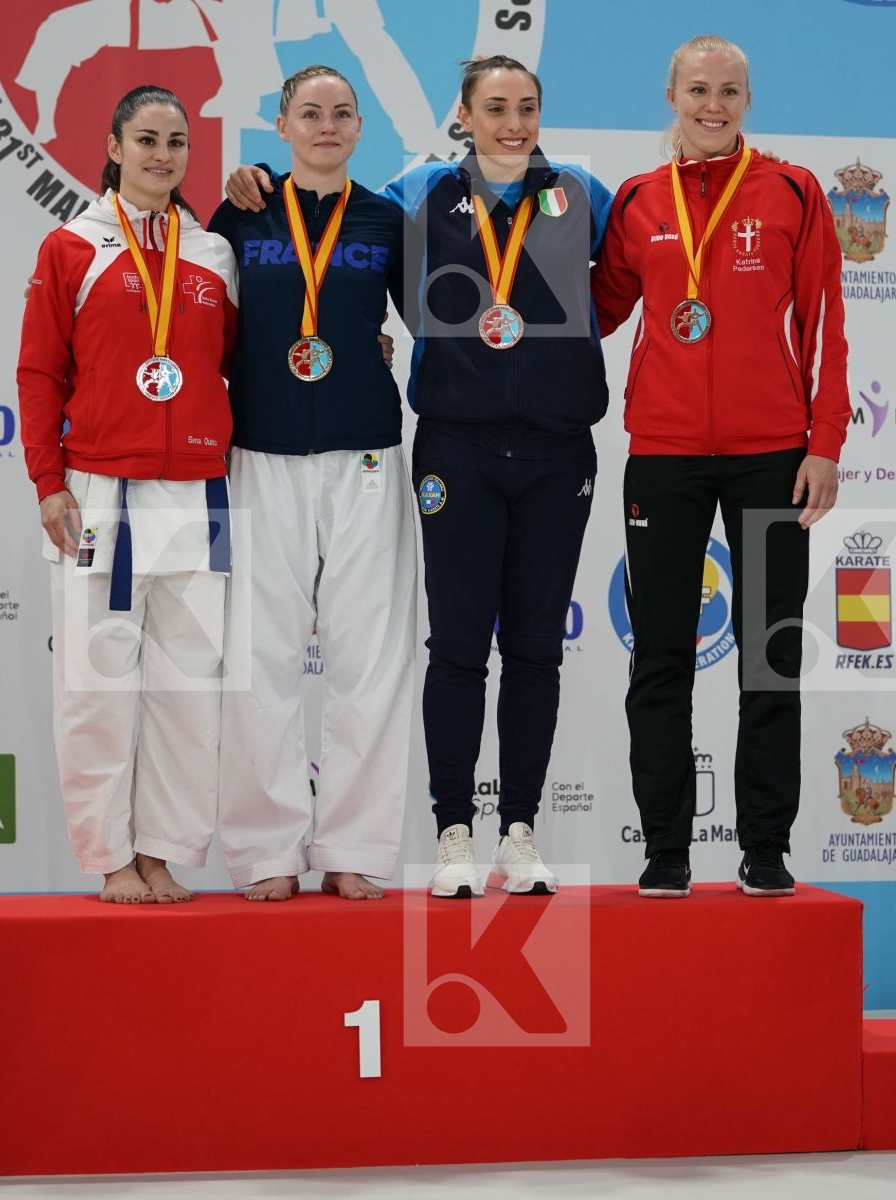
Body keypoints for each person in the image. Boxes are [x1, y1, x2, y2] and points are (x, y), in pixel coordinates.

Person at [225, 55, 612, 897]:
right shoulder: (411, 193)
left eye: (527, 107)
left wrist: (560, 351)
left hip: (539, 450)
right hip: (439, 447)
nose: (513, 122)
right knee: (442, 650)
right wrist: (244, 176)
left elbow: (609, 289)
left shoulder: (580, 188)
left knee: (520, 651)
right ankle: (436, 834)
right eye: (495, 107)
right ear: (462, 115)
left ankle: (497, 832)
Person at [592, 35, 848, 900]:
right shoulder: (634, 200)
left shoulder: (792, 192)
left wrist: (826, 442)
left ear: (748, 97)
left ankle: (765, 848)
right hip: (662, 454)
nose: (714, 105)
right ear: (669, 92)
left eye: (730, 91)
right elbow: (594, 309)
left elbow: (823, 322)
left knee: (770, 658)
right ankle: (666, 849)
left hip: (771, 455)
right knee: (659, 658)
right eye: (698, 89)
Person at [19, 85, 239, 904]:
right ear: (113, 145)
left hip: (199, 492)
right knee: (96, 684)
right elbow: (40, 373)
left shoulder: (214, 254)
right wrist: (48, 481)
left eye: (177, 141)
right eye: (147, 138)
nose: (163, 154)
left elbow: (237, 366)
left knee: (190, 688)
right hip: (98, 491)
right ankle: (111, 852)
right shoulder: (71, 247)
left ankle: (165, 849)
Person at [205, 65, 413, 902]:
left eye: (342, 114)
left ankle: (356, 844)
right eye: (309, 113)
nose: (326, 126)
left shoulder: (387, 219)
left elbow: (437, 320)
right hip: (260, 451)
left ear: (360, 128)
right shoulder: (240, 211)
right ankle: (265, 850)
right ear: (282, 125)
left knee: (372, 656)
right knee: (260, 655)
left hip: (365, 454)